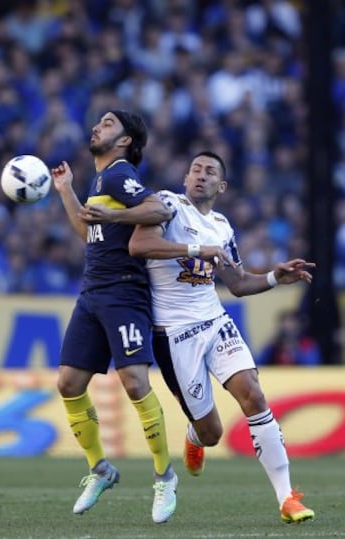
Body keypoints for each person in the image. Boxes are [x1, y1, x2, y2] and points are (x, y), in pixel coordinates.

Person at [128, 151, 315, 523]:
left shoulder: (222, 227)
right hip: (174, 334)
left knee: (254, 394)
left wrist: (276, 277)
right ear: (185, 179)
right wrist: (197, 249)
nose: (200, 175)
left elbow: (238, 283)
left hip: (214, 321)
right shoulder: (168, 205)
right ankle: (196, 437)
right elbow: (139, 245)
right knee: (211, 432)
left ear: (221, 185)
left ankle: (287, 498)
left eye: (209, 172)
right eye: (195, 169)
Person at [51, 110, 177, 524]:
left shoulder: (119, 175)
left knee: (135, 382)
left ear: (124, 141)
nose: (96, 127)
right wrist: (67, 191)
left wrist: (117, 216)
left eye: (107, 123)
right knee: (69, 383)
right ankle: (100, 469)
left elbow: (159, 210)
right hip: (92, 293)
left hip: (124, 292)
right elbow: (92, 233)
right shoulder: (98, 181)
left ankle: (164, 476)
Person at [256, 309, 322, 366]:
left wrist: (294, 351)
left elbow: (312, 365)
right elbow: (258, 363)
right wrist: (268, 347)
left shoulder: (307, 344)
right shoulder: (274, 345)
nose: (287, 327)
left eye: (291, 323)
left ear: (298, 325)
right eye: (284, 323)